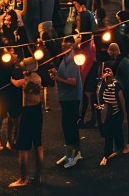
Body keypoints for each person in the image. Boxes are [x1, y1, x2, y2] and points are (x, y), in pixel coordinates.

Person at [10, 57, 44, 187]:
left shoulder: (27, 81)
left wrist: (11, 79)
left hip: (29, 113)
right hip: (37, 111)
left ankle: (23, 178)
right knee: (37, 144)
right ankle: (38, 176)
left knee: (23, 148)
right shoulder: (37, 77)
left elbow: (17, 83)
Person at [53, 36, 83, 168]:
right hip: (65, 98)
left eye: (67, 45)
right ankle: (71, 152)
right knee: (68, 126)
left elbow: (73, 82)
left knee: (69, 126)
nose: (63, 46)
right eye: (63, 44)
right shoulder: (64, 59)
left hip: (71, 98)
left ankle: (73, 154)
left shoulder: (72, 60)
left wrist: (56, 78)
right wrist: (55, 74)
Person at [108, 42, 129, 148]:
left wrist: (112, 78)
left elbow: (122, 80)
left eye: (110, 50)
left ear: (113, 51)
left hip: (127, 92)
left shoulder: (122, 62)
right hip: (128, 90)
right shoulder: (122, 60)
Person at [97, 65, 127, 166]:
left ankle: (120, 147)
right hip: (107, 114)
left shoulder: (117, 86)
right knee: (108, 136)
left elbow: (122, 102)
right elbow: (99, 97)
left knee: (117, 132)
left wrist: (125, 116)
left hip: (116, 113)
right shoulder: (102, 86)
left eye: (109, 71)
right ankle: (106, 154)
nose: (107, 73)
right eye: (105, 72)